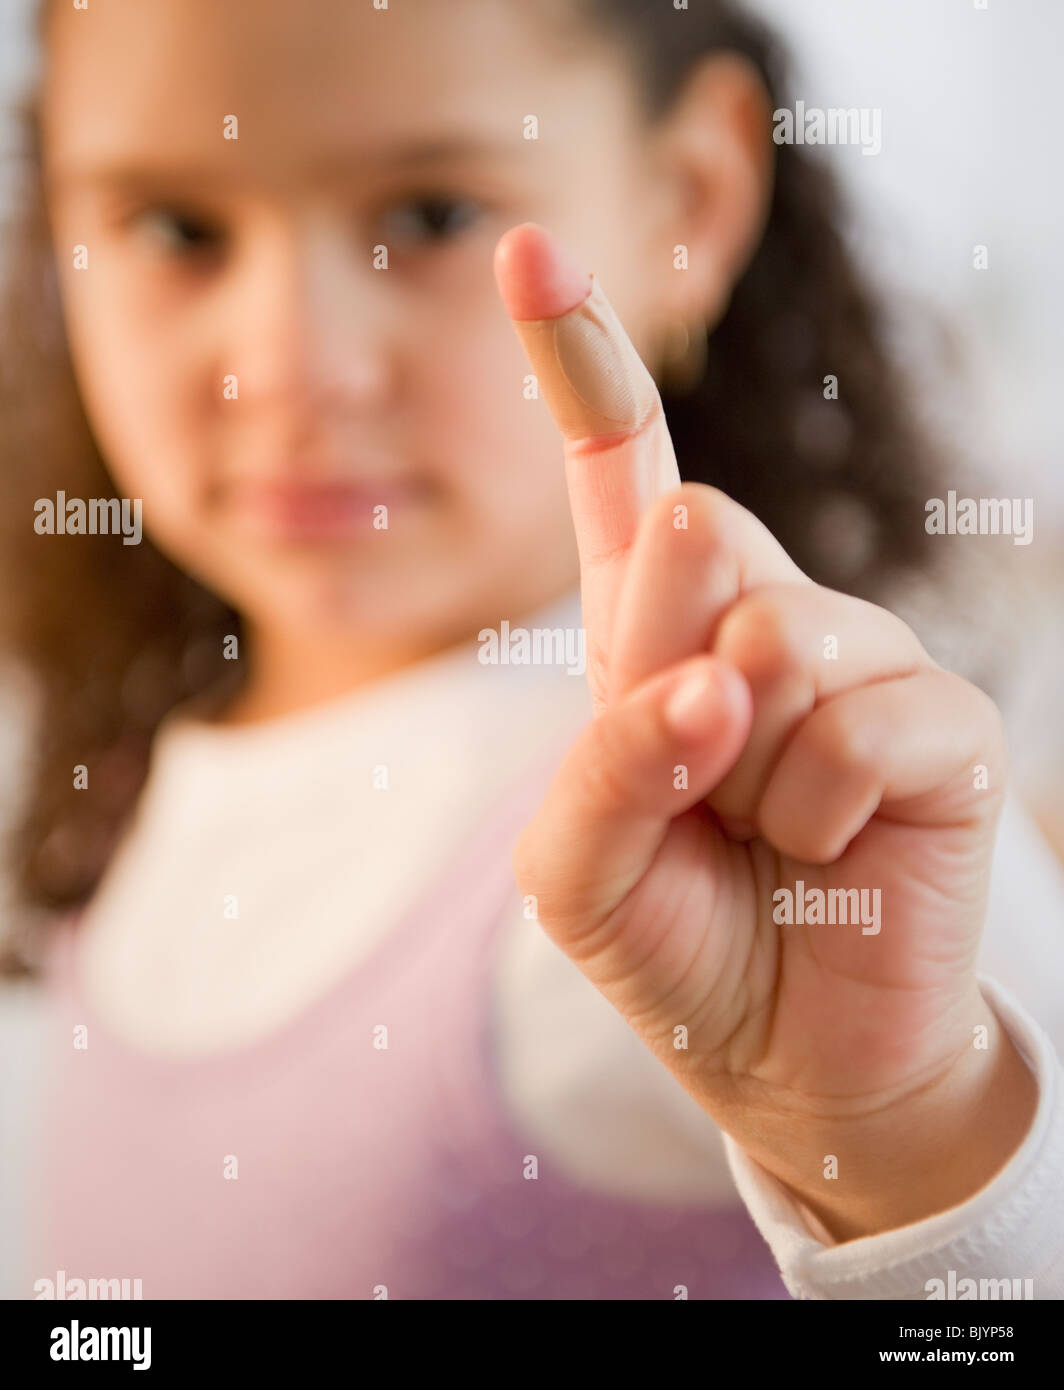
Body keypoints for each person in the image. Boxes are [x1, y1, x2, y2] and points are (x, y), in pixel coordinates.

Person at [2, 0, 1061, 1300]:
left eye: (432, 215)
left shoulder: (796, 819)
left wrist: (909, 1139)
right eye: (177, 228)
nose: (289, 364)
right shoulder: (114, 770)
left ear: (691, 197)